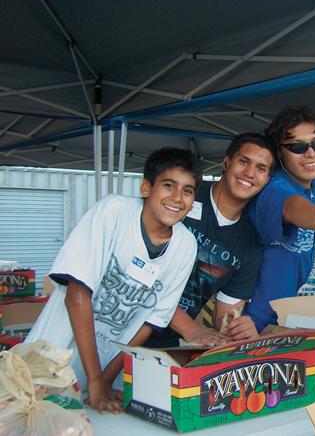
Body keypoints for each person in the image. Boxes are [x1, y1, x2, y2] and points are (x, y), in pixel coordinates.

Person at [25, 147, 201, 414]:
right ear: (146, 188)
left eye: (187, 191)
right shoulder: (114, 211)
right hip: (51, 361)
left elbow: (151, 321)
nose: (177, 198)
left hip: (108, 374)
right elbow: (77, 296)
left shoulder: (186, 245)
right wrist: (96, 380)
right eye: (168, 186)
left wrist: (104, 380)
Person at [145, 133, 277, 348]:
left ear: (267, 180)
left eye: (261, 169)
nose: (250, 173)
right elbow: (139, 270)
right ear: (226, 161)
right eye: (243, 161)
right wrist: (190, 328)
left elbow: (225, 317)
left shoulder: (250, 246)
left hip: (170, 344)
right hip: (124, 319)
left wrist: (238, 330)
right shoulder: (184, 194)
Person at [245, 106, 315, 332]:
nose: (310, 153)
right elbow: (290, 208)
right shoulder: (273, 188)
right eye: (297, 146)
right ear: (278, 152)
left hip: (281, 320)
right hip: (250, 324)